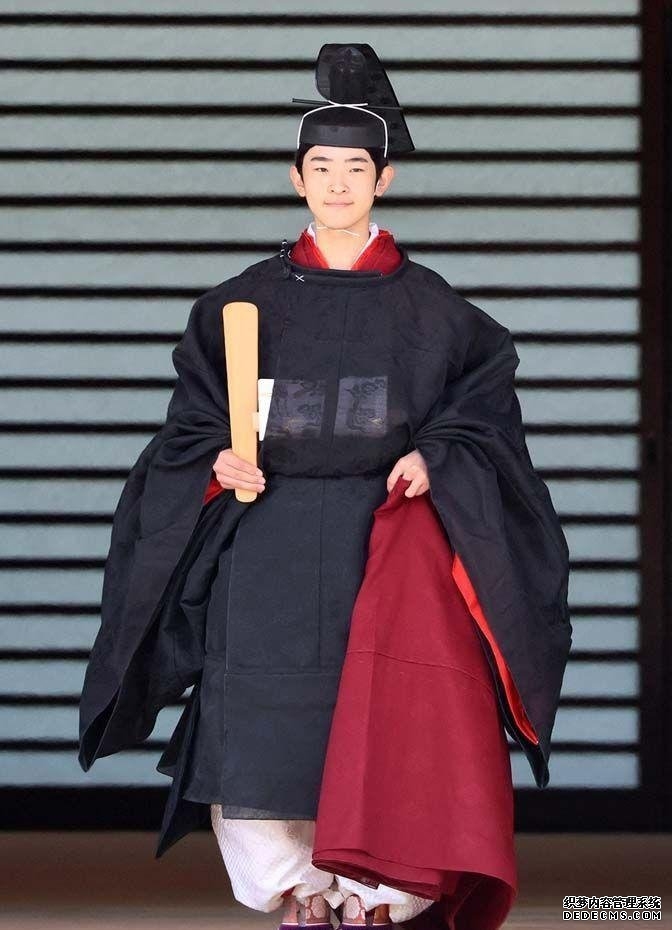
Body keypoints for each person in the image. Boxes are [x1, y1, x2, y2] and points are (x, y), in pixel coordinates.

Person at [78, 44, 572, 930]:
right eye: (321, 168)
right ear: (295, 178)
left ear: (383, 180)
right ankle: (297, 894)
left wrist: (439, 456)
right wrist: (215, 463)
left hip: (384, 540)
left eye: (355, 169)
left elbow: (482, 418)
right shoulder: (236, 303)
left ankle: (381, 896)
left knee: (391, 715)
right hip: (264, 539)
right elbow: (190, 428)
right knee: (261, 720)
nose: (338, 184)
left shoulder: (442, 314)